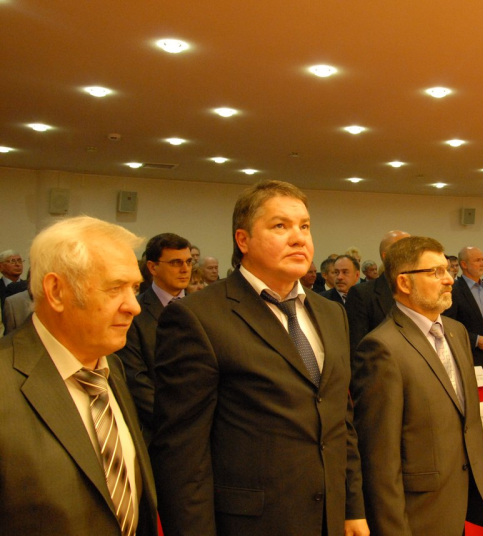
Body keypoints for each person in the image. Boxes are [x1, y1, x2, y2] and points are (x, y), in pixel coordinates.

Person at [150, 180, 368, 536]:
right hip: (251, 522)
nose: (298, 238)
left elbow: (339, 421)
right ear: (243, 240)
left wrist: (352, 506)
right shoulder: (198, 316)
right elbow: (181, 453)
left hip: (328, 517)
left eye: (305, 226)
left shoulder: (331, 314)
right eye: (280, 226)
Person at [0, 216, 157, 535]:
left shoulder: (110, 367)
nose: (134, 306)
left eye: (135, 288)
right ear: (56, 291)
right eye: (115, 288)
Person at [351, 236, 483, 535]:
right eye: (435, 272)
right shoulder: (382, 348)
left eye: (448, 270)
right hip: (419, 510)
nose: (449, 280)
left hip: (459, 495)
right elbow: (380, 458)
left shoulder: (456, 332)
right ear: (404, 283)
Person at [117, 232, 192, 444]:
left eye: (188, 262)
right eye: (176, 262)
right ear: (152, 267)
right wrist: (175, 422)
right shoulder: (135, 312)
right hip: (159, 430)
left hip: (203, 427)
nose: (185, 269)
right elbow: (136, 379)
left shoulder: (204, 308)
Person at [345, 230, 410, 354]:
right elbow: (358, 348)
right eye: (407, 249)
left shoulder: (421, 290)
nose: (414, 255)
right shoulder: (362, 294)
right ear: (387, 256)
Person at [443, 246, 483, 373]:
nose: (482, 264)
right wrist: (475, 340)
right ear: (464, 264)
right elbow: (447, 325)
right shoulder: (454, 290)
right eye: (477, 260)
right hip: (467, 356)